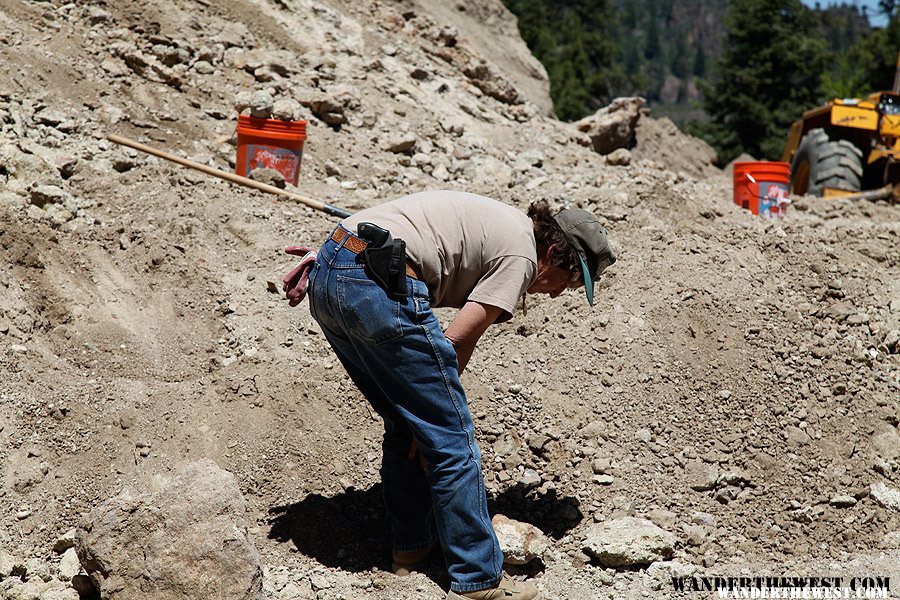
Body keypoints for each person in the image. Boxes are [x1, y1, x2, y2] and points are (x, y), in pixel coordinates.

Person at [283, 190, 616, 600]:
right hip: (376, 281)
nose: (560, 292)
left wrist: (428, 414)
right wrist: (439, 419)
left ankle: (412, 546)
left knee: (407, 423)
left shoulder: (507, 227)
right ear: (553, 251)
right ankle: (478, 579)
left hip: (333, 266)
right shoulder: (524, 256)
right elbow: (458, 339)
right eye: (569, 278)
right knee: (452, 442)